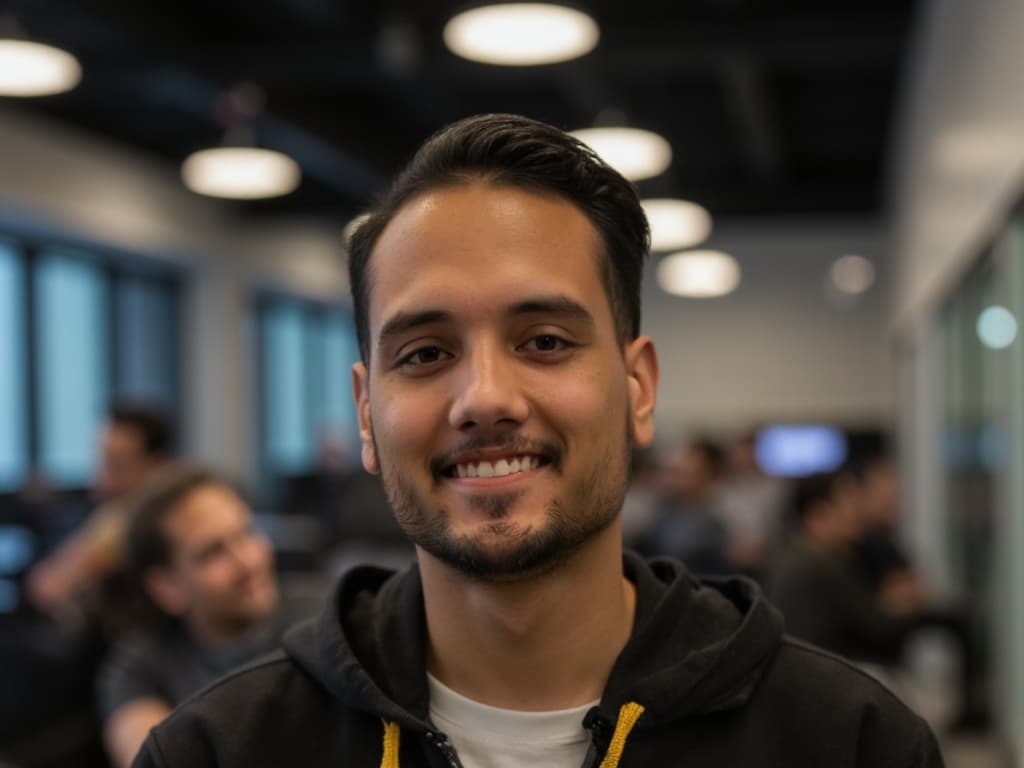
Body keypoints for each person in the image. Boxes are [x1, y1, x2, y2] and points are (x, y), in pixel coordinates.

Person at [133, 114, 942, 767]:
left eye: (545, 341)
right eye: (424, 354)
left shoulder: (851, 744)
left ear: (638, 389)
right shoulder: (217, 752)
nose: (484, 397)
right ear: (366, 413)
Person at [98, 463, 291, 768]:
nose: (247, 562)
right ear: (166, 587)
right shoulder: (140, 667)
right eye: (213, 552)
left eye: (247, 533)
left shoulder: (330, 617)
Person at [26, 403, 173, 623]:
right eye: (100, 461)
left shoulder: (145, 521)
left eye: (116, 464)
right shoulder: (112, 511)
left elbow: (53, 585)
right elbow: (43, 584)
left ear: (156, 467)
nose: (102, 477)